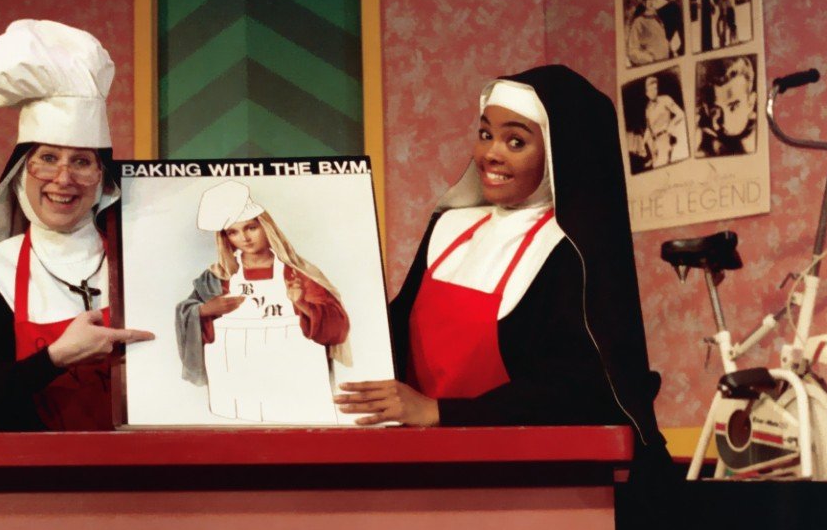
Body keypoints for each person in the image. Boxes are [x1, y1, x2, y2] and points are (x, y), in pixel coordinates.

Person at [334, 66, 666, 463]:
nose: (491, 153)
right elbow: (397, 334)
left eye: (515, 141)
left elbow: (576, 389)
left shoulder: (567, 249)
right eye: (485, 134)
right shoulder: (449, 226)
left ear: (560, 151)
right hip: (427, 460)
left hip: (526, 473)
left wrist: (440, 413)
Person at [0, 19, 153, 431]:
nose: (63, 179)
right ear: (20, 173)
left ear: (103, 178)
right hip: (33, 486)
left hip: (147, 477)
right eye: (47, 158)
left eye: (81, 161)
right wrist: (53, 360)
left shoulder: (145, 263)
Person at [175, 180, 350, 422]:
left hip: (294, 374)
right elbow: (186, 313)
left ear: (266, 227)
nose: (244, 238)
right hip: (235, 374)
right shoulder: (217, 277)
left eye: (251, 228)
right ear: (225, 238)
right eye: (233, 232)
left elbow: (337, 327)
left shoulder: (297, 273)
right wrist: (204, 310)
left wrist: (302, 304)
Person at [696, 55, 756, 157]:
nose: (723, 122)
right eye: (715, 110)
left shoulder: (759, 138)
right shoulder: (702, 137)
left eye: (733, 107)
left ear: (751, 102)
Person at [642, 74, 687, 168]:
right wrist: (643, 143)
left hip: (665, 138)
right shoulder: (647, 109)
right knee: (655, 166)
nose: (654, 92)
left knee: (662, 165)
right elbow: (648, 128)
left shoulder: (665, 99)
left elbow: (681, 114)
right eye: (651, 90)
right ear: (646, 93)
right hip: (654, 144)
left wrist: (670, 125)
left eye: (655, 88)